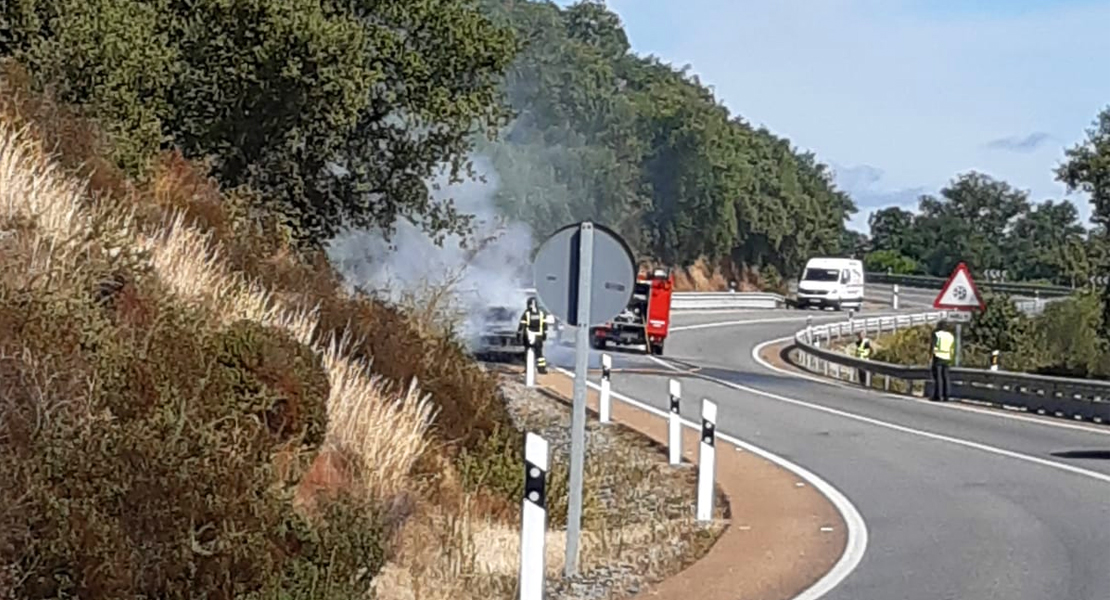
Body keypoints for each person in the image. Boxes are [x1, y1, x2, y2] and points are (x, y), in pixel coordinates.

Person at [519, 297, 548, 374]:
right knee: (539, 354)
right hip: (539, 337)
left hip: (528, 337)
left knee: (527, 353)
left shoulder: (526, 313)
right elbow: (545, 325)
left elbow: (522, 325)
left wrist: (519, 335)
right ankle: (541, 369)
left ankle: (527, 369)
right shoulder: (541, 313)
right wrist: (545, 334)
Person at [931, 321, 955, 401]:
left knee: (938, 377)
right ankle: (946, 395)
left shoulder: (937, 334)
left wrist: (931, 356)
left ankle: (938, 395)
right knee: (946, 377)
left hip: (938, 357)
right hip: (947, 358)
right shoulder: (950, 336)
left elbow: (933, 346)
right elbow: (952, 348)